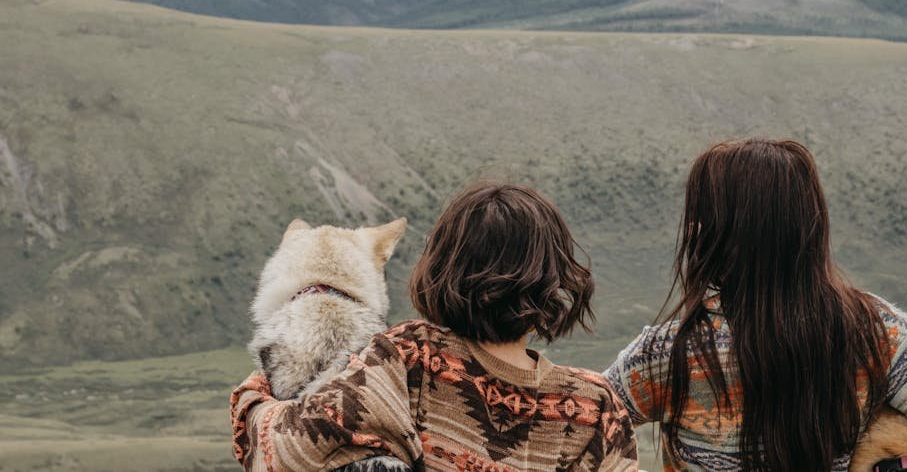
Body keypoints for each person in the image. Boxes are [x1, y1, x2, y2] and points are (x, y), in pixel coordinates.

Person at [603, 139, 907, 471]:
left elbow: (578, 426)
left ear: (717, 233)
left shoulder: (667, 352)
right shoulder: (875, 332)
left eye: (699, 217)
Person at [231, 182, 639, 471]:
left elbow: (293, 449)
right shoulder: (596, 408)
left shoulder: (407, 358)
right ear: (555, 281)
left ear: (441, 271)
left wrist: (256, 397)